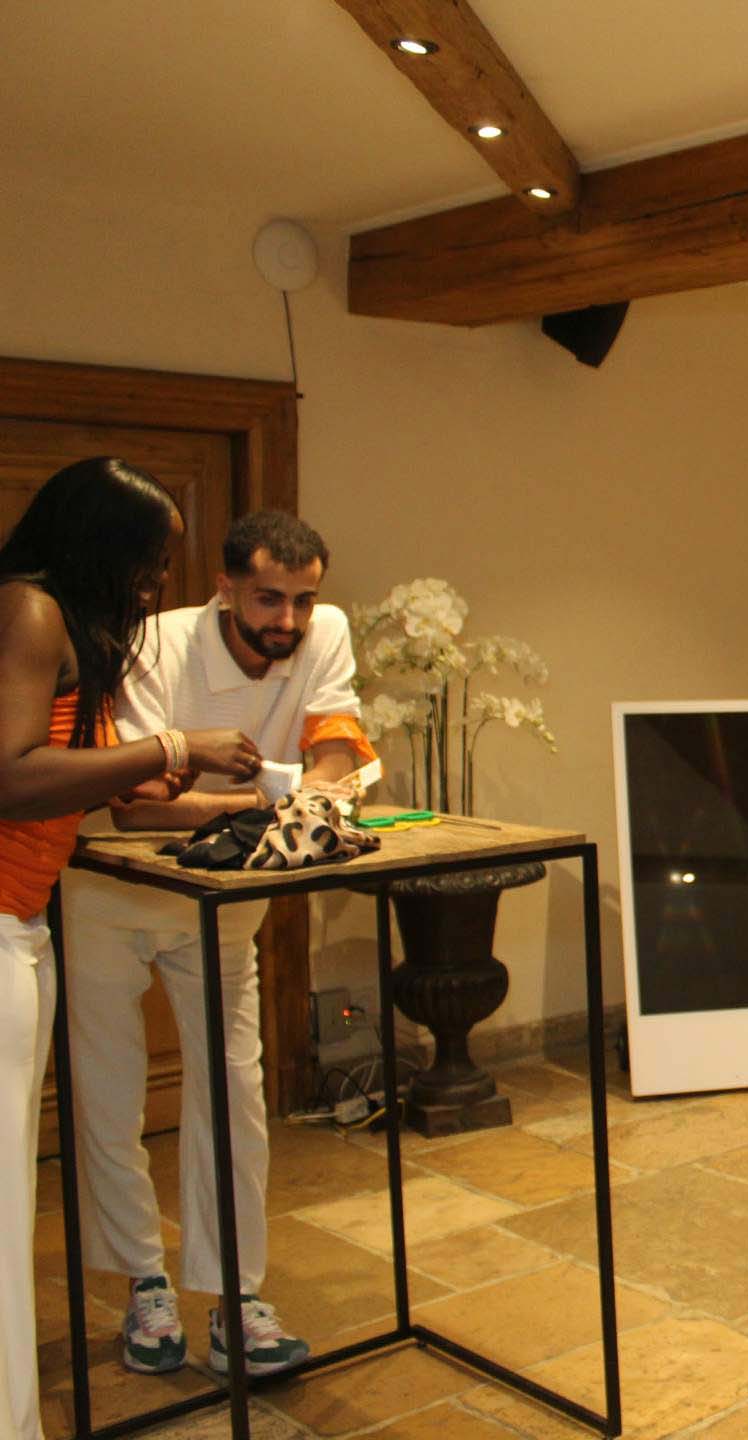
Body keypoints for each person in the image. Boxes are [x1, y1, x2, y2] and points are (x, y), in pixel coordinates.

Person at [63, 510, 373, 1379]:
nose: (288, 619)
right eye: (268, 599)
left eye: (302, 599)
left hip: (225, 896)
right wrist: (273, 806)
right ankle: (143, 1281)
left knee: (235, 1092)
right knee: (110, 1093)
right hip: (111, 891)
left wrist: (300, 795)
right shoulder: (154, 644)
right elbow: (135, 803)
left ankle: (236, 1295)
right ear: (225, 588)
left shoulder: (325, 631)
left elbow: (338, 748)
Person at [0, 458, 262, 1440]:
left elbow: (89, 789)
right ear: (96, 547)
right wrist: (173, 746)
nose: (153, 588)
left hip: (24, 919)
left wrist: (168, 783)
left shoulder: (71, 631)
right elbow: (11, 777)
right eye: (147, 565)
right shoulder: (30, 611)